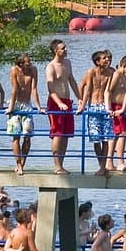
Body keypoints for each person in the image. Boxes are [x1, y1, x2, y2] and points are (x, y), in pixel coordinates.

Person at [44, 39, 80, 174]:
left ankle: (62, 164)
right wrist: (59, 103)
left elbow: (72, 80)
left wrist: (80, 98)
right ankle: (57, 165)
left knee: (66, 134)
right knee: (57, 134)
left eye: (65, 48)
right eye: (63, 48)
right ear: (56, 51)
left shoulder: (67, 63)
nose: (66, 50)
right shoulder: (51, 67)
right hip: (55, 103)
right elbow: (51, 89)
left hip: (67, 102)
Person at [79, 49, 116, 175]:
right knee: (95, 139)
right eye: (104, 58)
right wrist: (82, 105)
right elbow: (87, 90)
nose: (107, 60)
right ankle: (101, 165)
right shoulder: (91, 72)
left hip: (104, 107)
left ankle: (102, 166)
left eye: (107, 58)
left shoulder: (111, 72)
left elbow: (109, 91)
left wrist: (109, 108)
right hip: (93, 107)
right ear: (97, 61)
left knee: (106, 138)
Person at [6, 53, 42, 176]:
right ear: (21, 64)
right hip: (16, 104)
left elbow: (34, 89)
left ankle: (23, 162)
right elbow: (15, 89)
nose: (30, 64)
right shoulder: (14, 70)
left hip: (27, 104)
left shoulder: (33, 70)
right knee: (16, 136)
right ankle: (18, 165)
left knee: (27, 136)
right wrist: (10, 108)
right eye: (27, 62)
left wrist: (38, 106)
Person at [107, 55, 126, 172]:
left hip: (122, 108)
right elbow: (108, 91)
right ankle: (118, 162)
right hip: (115, 108)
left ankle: (114, 161)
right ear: (124, 65)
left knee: (121, 134)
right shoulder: (117, 75)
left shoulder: (124, 76)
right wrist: (108, 108)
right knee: (121, 134)